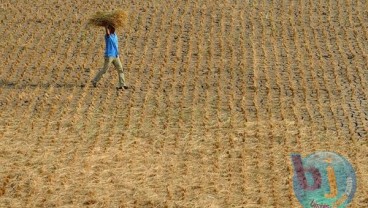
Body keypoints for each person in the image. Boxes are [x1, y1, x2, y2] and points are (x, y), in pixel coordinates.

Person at [92, 25, 128, 90]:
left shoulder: (115, 35)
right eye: (112, 28)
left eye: (114, 28)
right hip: (109, 56)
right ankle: (94, 81)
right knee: (104, 70)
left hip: (116, 56)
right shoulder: (107, 36)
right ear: (109, 29)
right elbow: (107, 33)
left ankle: (122, 84)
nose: (114, 29)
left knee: (120, 69)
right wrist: (106, 26)